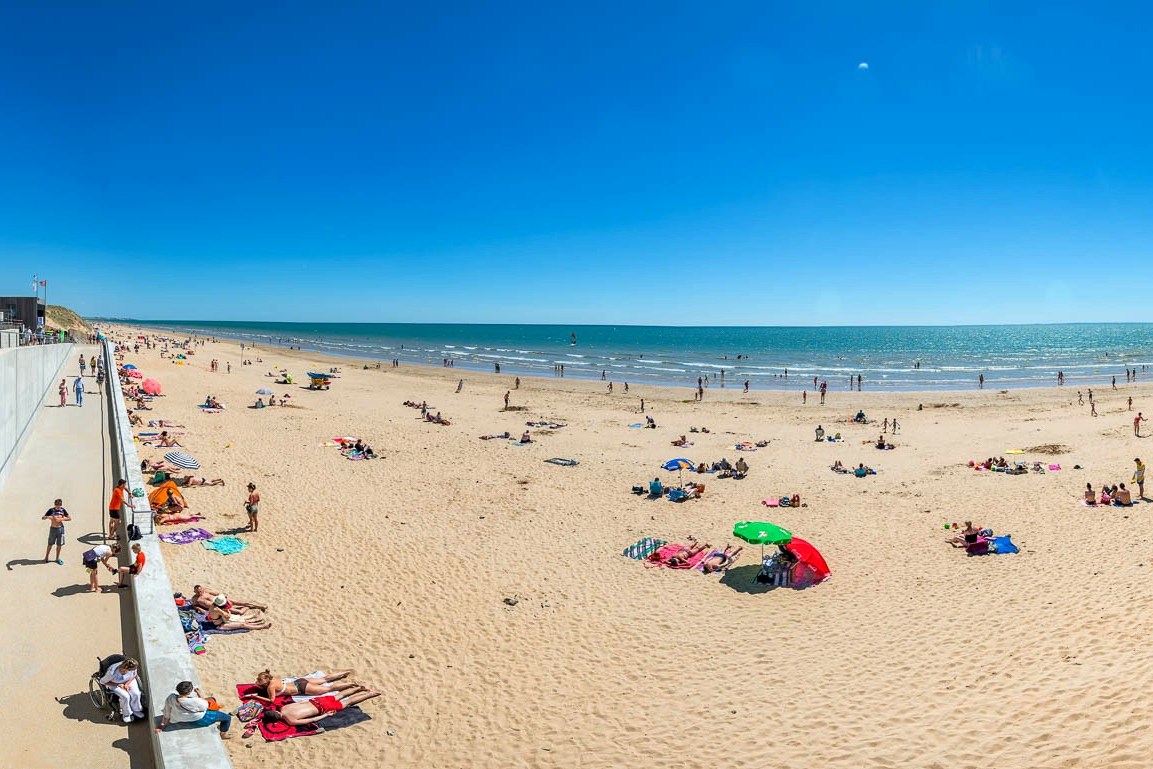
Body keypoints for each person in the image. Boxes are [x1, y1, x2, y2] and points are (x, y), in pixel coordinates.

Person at [267, 686, 382, 726]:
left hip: (321, 708)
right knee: (340, 695)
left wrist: (326, 715)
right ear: (276, 712)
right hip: (316, 701)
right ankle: (358, 688)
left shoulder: (290, 720)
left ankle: (371, 694)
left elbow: (312, 719)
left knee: (348, 702)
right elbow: (300, 703)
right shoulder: (284, 708)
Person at [157, 680, 232, 738]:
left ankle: (217, 707)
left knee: (212, 699)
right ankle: (223, 734)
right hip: (199, 719)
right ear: (189, 692)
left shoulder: (171, 697)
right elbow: (206, 706)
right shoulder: (194, 701)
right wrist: (199, 694)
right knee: (227, 718)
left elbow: (166, 715)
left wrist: (161, 726)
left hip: (180, 718)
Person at [249, 670, 357, 703]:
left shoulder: (270, 687)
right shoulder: (274, 678)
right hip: (299, 682)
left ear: (265, 681)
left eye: (260, 681)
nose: (258, 682)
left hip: (302, 688)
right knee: (325, 679)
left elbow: (271, 700)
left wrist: (256, 697)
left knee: (329, 689)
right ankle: (345, 672)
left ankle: (351, 684)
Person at [100, 657, 144, 723]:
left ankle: (135, 709)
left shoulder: (132, 666)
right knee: (126, 697)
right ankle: (126, 714)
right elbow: (102, 682)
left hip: (128, 681)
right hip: (114, 684)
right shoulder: (112, 673)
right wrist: (118, 685)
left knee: (136, 694)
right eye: (131, 670)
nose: (134, 670)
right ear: (126, 669)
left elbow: (134, 675)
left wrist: (127, 684)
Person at [192, 584, 268, 613]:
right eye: (198, 592)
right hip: (218, 607)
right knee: (237, 611)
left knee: (241, 602)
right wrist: (200, 609)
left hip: (221, 600)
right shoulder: (195, 599)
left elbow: (218, 593)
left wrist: (226, 598)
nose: (200, 592)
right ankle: (250, 607)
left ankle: (260, 606)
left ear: (202, 589)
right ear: (195, 592)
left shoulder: (207, 591)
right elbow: (195, 605)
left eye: (200, 590)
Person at [43, 498, 71, 564]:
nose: (58, 507)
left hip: (60, 529)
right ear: (54, 505)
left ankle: (57, 558)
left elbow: (69, 518)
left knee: (59, 545)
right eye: (56, 505)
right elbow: (43, 517)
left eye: (59, 505)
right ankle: (46, 557)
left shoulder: (63, 510)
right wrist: (47, 517)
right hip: (53, 529)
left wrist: (61, 519)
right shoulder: (51, 510)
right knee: (50, 544)